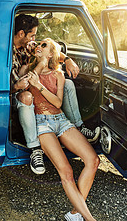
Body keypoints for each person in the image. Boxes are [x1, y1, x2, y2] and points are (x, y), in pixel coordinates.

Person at [11, 14, 100, 175]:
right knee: (27, 96)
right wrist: (19, 84)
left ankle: (78, 127)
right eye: (32, 35)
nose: (35, 40)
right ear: (21, 34)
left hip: (32, 86)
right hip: (14, 93)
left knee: (69, 83)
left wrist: (67, 60)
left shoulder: (29, 46)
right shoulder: (7, 52)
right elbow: (6, 87)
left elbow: (49, 51)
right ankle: (35, 149)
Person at [27, 38, 99, 221]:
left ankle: (75, 213)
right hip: (42, 123)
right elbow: (19, 84)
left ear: (51, 54)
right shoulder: (29, 70)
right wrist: (35, 75)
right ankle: (90, 219)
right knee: (66, 172)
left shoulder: (58, 75)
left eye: (44, 45)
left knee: (93, 160)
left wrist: (39, 86)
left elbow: (58, 103)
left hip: (61, 120)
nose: (38, 46)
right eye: (38, 44)